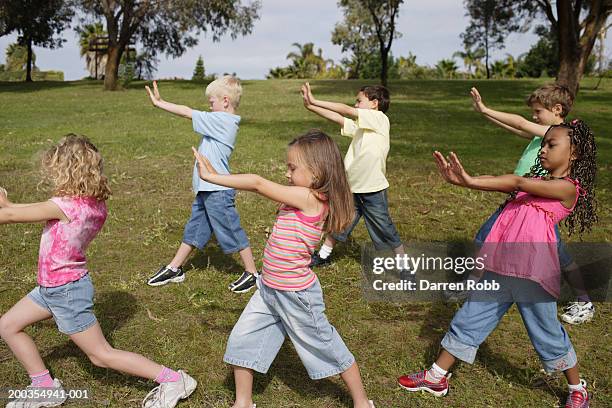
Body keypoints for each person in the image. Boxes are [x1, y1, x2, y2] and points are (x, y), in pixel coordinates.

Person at [398, 121, 597, 408]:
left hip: (533, 274)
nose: (543, 149)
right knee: (470, 318)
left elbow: (516, 182)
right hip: (501, 267)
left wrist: (469, 180)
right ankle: (436, 376)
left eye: (551, 145)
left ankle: (577, 388)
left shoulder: (567, 189)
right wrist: (464, 181)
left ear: (574, 153)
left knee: (547, 332)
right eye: (543, 144)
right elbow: (512, 190)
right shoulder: (536, 183)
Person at [0, 135, 196, 408]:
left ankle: (173, 379)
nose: (52, 175)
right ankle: (43, 385)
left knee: (101, 355)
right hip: (53, 287)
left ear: (67, 171)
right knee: (8, 325)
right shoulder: (90, 204)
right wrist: (10, 206)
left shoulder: (64, 206)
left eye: (56, 170)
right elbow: (27, 211)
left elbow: (10, 217)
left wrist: (7, 210)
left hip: (65, 290)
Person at [192, 130, 375, 408]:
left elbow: (256, 183)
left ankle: (362, 402)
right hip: (268, 289)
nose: (287, 173)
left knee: (325, 344)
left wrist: (213, 177)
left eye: (292, 167)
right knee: (243, 339)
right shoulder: (300, 197)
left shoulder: (310, 198)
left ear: (316, 172)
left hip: (296, 294)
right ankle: (243, 402)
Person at [465, 86, 594, 325]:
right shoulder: (544, 134)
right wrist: (486, 115)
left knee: (556, 254)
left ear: (557, 110)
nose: (534, 116)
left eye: (538, 111)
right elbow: (516, 127)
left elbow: (521, 123)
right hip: (523, 201)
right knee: (488, 237)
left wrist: (486, 108)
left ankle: (584, 300)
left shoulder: (556, 133)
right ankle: (477, 286)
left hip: (539, 206)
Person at [144, 76, 258, 293]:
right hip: (207, 189)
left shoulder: (222, 121)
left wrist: (160, 103)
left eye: (211, 101)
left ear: (225, 101)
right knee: (195, 230)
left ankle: (252, 273)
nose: (209, 105)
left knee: (231, 230)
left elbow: (187, 112)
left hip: (218, 191)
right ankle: (174, 268)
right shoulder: (220, 121)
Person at [301, 82, 407, 270]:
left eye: (359, 101)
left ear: (374, 103)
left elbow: (345, 110)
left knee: (385, 228)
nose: (356, 105)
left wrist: (316, 99)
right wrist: (311, 107)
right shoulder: (362, 127)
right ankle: (323, 255)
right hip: (352, 187)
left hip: (373, 189)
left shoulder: (380, 119)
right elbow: (338, 118)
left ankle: (405, 267)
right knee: (340, 221)